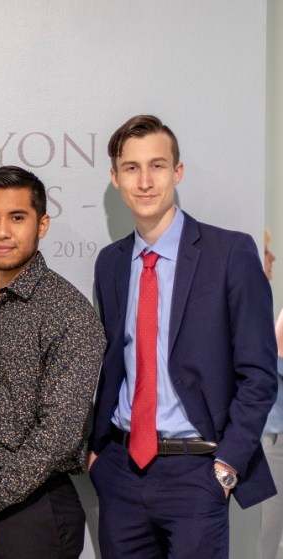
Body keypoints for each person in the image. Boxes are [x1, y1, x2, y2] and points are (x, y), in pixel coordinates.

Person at [89, 114, 278, 558]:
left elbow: (259, 374)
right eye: (131, 168)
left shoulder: (229, 252)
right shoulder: (110, 263)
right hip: (120, 470)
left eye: (157, 165)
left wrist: (226, 467)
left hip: (198, 472)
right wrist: (96, 458)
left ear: (178, 172)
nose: (145, 180)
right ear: (115, 178)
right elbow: (112, 363)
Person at [0, 165, 106, 558]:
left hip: (36, 510)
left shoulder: (68, 312)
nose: (1, 232)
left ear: (41, 225)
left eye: (17, 217)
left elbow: (58, 432)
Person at [262, 229, 283, 559]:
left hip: (272, 434)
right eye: (266, 249)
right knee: (262, 540)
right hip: (267, 437)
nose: (273, 258)